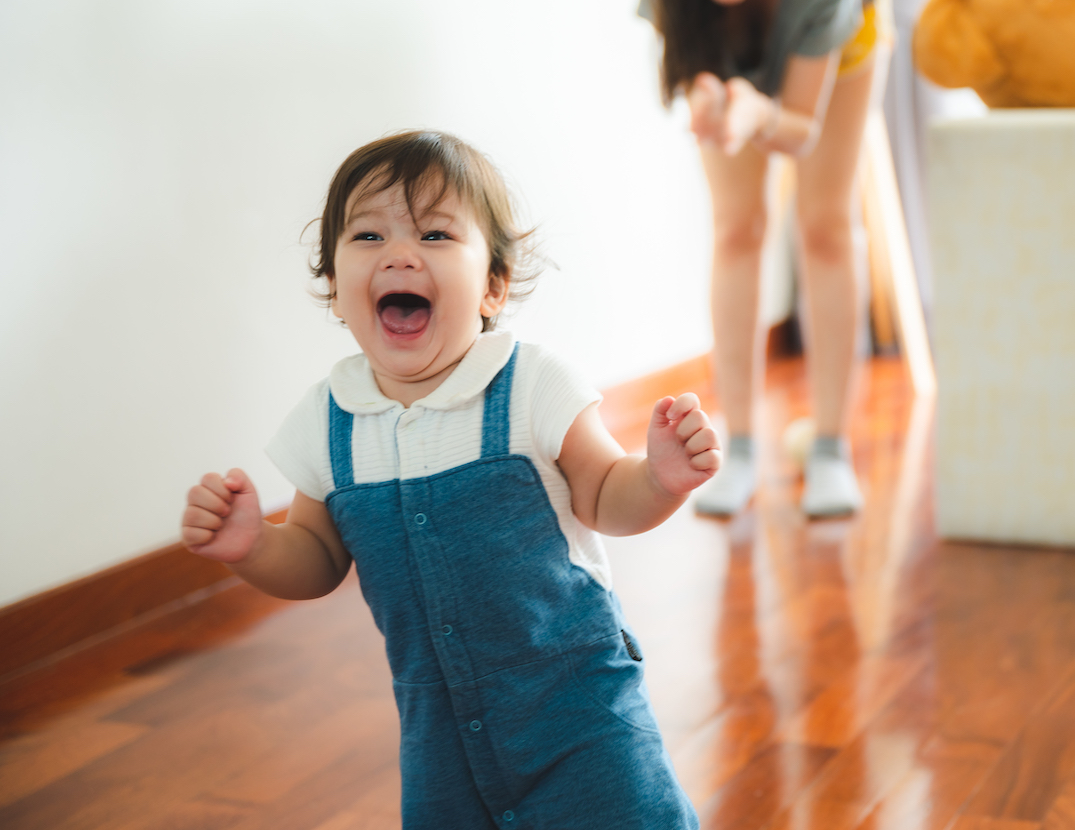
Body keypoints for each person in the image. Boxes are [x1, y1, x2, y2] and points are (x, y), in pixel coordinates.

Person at [179, 131, 713, 829]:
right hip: (439, 736)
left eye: (434, 233)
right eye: (368, 235)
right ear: (336, 289)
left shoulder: (530, 386)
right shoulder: (328, 421)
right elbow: (315, 556)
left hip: (581, 717)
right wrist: (253, 546)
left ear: (492, 284)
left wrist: (661, 478)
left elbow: (608, 494)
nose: (400, 254)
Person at [642, 0, 888, 517]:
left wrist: (759, 112)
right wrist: (713, 102)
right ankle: (741, 451)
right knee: (736, 228)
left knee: (827, 227)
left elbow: (800, 130)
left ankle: (829, 449)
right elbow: (697, 76)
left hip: (838, 48)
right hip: (733, 51)